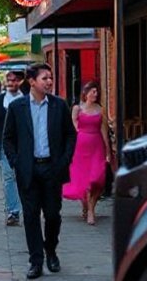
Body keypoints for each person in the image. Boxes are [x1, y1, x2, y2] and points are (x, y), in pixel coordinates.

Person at [3, 63, 76, 279]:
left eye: (51, 77)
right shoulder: (17, 107)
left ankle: (50, 250)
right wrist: (16, 162)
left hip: (52, 168)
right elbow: (8, 138)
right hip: (28, 169)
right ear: (32, 81)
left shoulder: (59, 105)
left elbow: (70, 135)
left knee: (53, 215)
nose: (49, 82)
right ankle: (36, 260)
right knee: (31, 216)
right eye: (45, 78)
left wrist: (64, 161)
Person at [62, 80, 110, 225]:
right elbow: (73, 127)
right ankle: (90, 211)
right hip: (81, 147)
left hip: (97, 146)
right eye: (93, 91)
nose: (95, 94)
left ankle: (89, 206)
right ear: (86, 93)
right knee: (86, 181)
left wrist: (108, 150)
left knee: (97, 179)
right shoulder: (78, 109)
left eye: (97, 92)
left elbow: (104, 131)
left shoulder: (100, 110)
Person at [0, 70, 25, 226]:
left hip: (24, 145)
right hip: (3, 144)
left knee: (23, 177)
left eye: (14, 80)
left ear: (20, 82)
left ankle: (27, 207)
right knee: (9, 176)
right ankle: (13, 211)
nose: (11, 83)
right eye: (8, 80)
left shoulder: (27, 100)